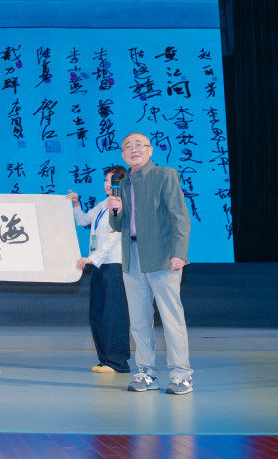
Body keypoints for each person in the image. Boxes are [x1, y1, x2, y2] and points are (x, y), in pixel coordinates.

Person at [108, 132, 193, 395]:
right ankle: (146, 372)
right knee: (138, 320)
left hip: (161, 255)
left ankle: (181, 375)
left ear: (150, 150)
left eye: (139, 145)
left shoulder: (165, 175)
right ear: (122, 155)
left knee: (171, 317)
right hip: (132, 255)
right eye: (128, 147)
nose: (133, 150)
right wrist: (115, 210)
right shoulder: (123, 183)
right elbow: (118, 226)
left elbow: (180, 216)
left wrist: (179, 252)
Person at [67, 166, 131, 374]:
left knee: (114, 314)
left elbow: (114, 238)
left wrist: (92, 258)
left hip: (114, 265)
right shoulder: (103, 204)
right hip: (98, 265)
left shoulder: (122, 205)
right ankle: (104, 359)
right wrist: (76, 203)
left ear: (122, 183)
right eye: (105, 180)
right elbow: (82, 220)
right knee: (98, 313)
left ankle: (118, 361)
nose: (107, 184)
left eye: (112, 181)